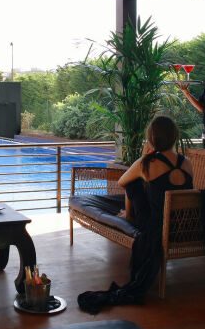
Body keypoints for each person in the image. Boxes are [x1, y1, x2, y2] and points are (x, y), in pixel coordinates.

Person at [77, 116, 193, 314]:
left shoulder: (147, 163)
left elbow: (122, 181)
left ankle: (127, 215)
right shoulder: (187, 163)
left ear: (152, 138)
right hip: (182, 225)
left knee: (133, 183)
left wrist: (144, 163)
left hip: (154, 226)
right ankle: (129, 213)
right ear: (175, 137)